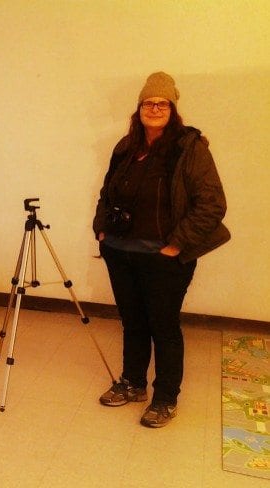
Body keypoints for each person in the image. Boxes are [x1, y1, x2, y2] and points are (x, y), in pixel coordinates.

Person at [92, 71, 230, 428]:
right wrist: (102, 232)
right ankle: (134, 383)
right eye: (148, 102)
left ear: (172, 108)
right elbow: (106, 193)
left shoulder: (189, 148)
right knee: (133, 321)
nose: (154, 108)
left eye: (162, 103)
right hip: (121, 252)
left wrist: (176, 244)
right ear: (138, 108)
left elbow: (211, 204)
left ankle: (166, 397)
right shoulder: (126, 147)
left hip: (164, 258)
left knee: (163, 326)